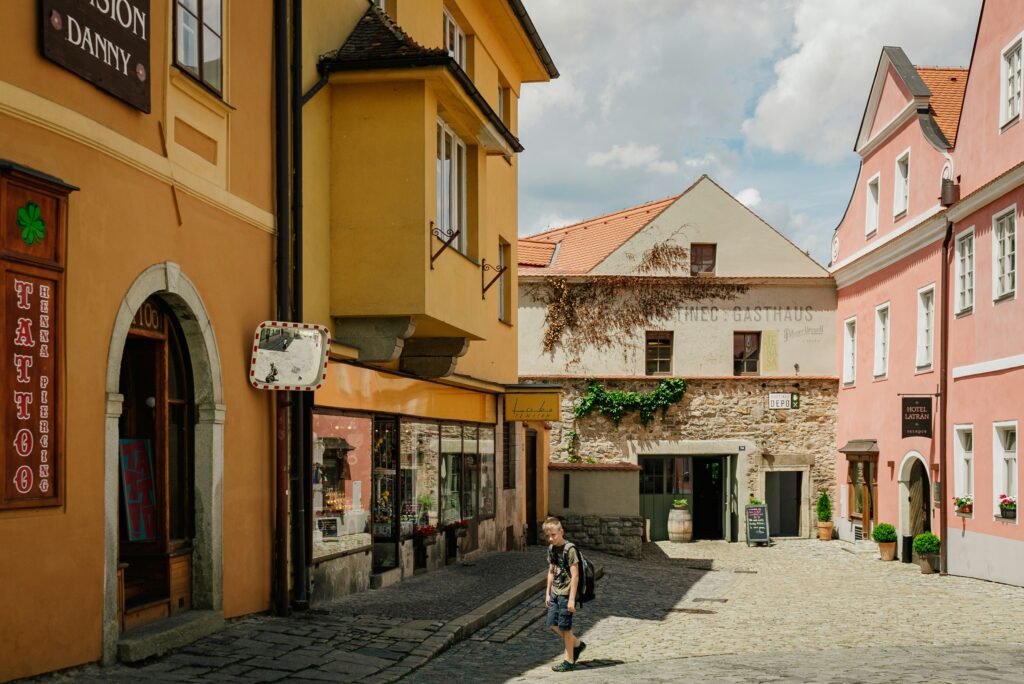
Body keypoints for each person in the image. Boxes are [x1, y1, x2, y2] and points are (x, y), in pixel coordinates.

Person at [544, 516, 586, 672]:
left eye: (553, 535)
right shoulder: (551, 549)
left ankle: (569, 661)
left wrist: (571, 600)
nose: (551, 538)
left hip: (566, 594)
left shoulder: (570, 549)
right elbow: (550, 572)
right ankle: (577, 645)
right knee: (553, 625)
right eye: (548, 536)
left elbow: (575, 576)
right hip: (555, 592)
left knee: (565, 628)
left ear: (561, 532)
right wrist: (547, 593)